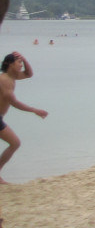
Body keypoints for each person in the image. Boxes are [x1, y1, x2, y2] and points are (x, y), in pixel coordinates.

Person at [0, 52, 48, 184]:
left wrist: (25, 59)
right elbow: (13, 102)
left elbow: (29, 74)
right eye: (19, 62)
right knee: (15, 143)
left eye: (21, 63)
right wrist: (34, 110)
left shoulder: (12, 77)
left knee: (15, 143)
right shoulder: (4, 80)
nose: (21, 65)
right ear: (10, 64)